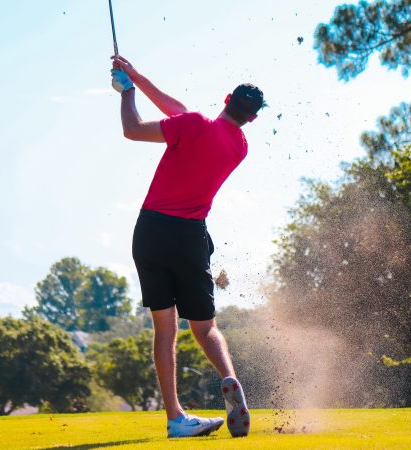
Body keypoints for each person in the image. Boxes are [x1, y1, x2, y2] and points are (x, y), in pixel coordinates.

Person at [110, 55, 264, 439]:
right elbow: (179, 112)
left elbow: (132, 129)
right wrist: (137, 75)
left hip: (150, 232)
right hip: (190, 236)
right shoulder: (239, 146)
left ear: (225, 98)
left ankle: (176, 418)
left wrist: (126, 91)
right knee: (204, 326)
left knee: (165, 329)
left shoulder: (193, 124)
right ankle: (229, 378)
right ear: (252, 118)